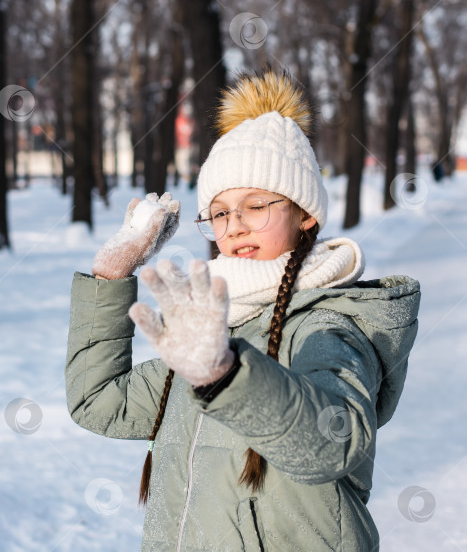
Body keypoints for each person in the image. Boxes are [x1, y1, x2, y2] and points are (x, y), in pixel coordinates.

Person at [66, 68, 420, 551]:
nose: (234, 225)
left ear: (305, 212)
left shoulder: (328, 326)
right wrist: (111, 275)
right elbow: (100, 402)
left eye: (256, 205)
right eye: (219, 211)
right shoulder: (217, 328)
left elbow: (334, 440)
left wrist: (227, 376)